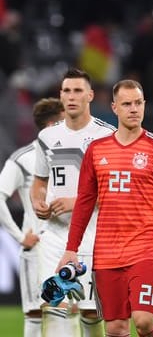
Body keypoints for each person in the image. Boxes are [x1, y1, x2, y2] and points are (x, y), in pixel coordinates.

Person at [56, 79, 153, 337]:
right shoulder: (96, 150)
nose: (134, 109)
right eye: (127, 104)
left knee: (143, 320)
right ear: (114, 108)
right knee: (116, 329)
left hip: (146, 248)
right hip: (106, 252)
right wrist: (71, 249)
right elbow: (85, 201)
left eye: (138, 103)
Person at [30, 68, 116, 336]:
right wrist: (37, 201)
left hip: (94, 237)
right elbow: (40, 181)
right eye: (66, 90)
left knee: (92, 312)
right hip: (55, 235)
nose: (71, 96)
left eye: (78, 90)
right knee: (53, 304)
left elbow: (116, 191)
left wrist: (76, 202)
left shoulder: (108, 136)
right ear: (61, 95)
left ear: (90, 95)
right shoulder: (47, 137)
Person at [0, 97, 64, 336]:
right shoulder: (23, 158)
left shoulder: (72, 156)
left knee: (76, 311)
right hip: (37, 248)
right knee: (36, 314)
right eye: (63, 120)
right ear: (50, 126)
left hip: (69, 246)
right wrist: (19, 236)